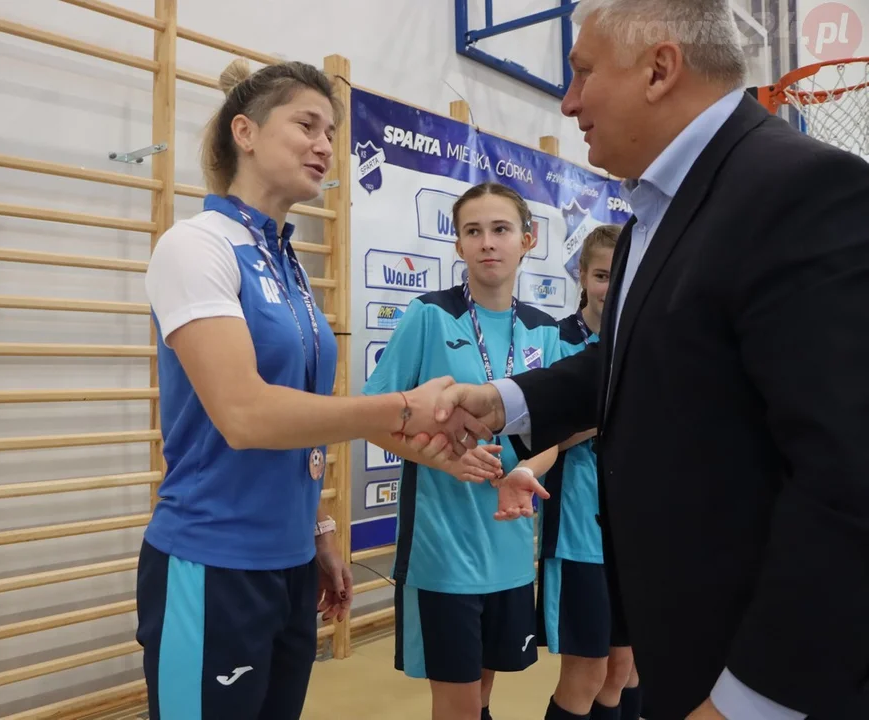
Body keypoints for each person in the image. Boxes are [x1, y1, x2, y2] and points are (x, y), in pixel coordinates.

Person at [410, 1, 869, 718]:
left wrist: (752, 699)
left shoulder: (798, 190)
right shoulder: (651, 222)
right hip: (680, 641)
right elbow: (634, 362)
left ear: (659, 69)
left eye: (583, 73)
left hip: (761, 670)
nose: (568, 101)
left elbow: (850, 476)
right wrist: (506, 401)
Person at [139, 59, 490, 720]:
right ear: (244, 131)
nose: (326, 144)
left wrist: (320, 527)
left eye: (331, 130)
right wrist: (402, 406)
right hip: (213, 562)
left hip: (291, 562)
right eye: (307, 124)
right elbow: (244, 414)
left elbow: (309, 415)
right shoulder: (196, 247)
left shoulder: (286, 260)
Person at [361, 182, 558, 720]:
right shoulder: (429, 317)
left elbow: (554, 436)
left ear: (527, 239)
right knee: (459, 706)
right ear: (458, 245)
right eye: (473, 231)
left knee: (485, 697)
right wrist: (442, 459)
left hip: (511, 547)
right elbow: (373, 418)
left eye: (500, 230)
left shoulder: (545, 330)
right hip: (443, 551)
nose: (487, 243)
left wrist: (528, 471)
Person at [535, 224, 640, 720]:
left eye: (621, 274)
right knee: (589, 672)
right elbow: (540, 437)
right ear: (581, 275)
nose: (611, 286)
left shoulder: (641, 340)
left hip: (636, 531)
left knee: (626, 668)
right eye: (601, 274)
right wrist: (601, 412)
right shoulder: (555, 341)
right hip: (579, 532)